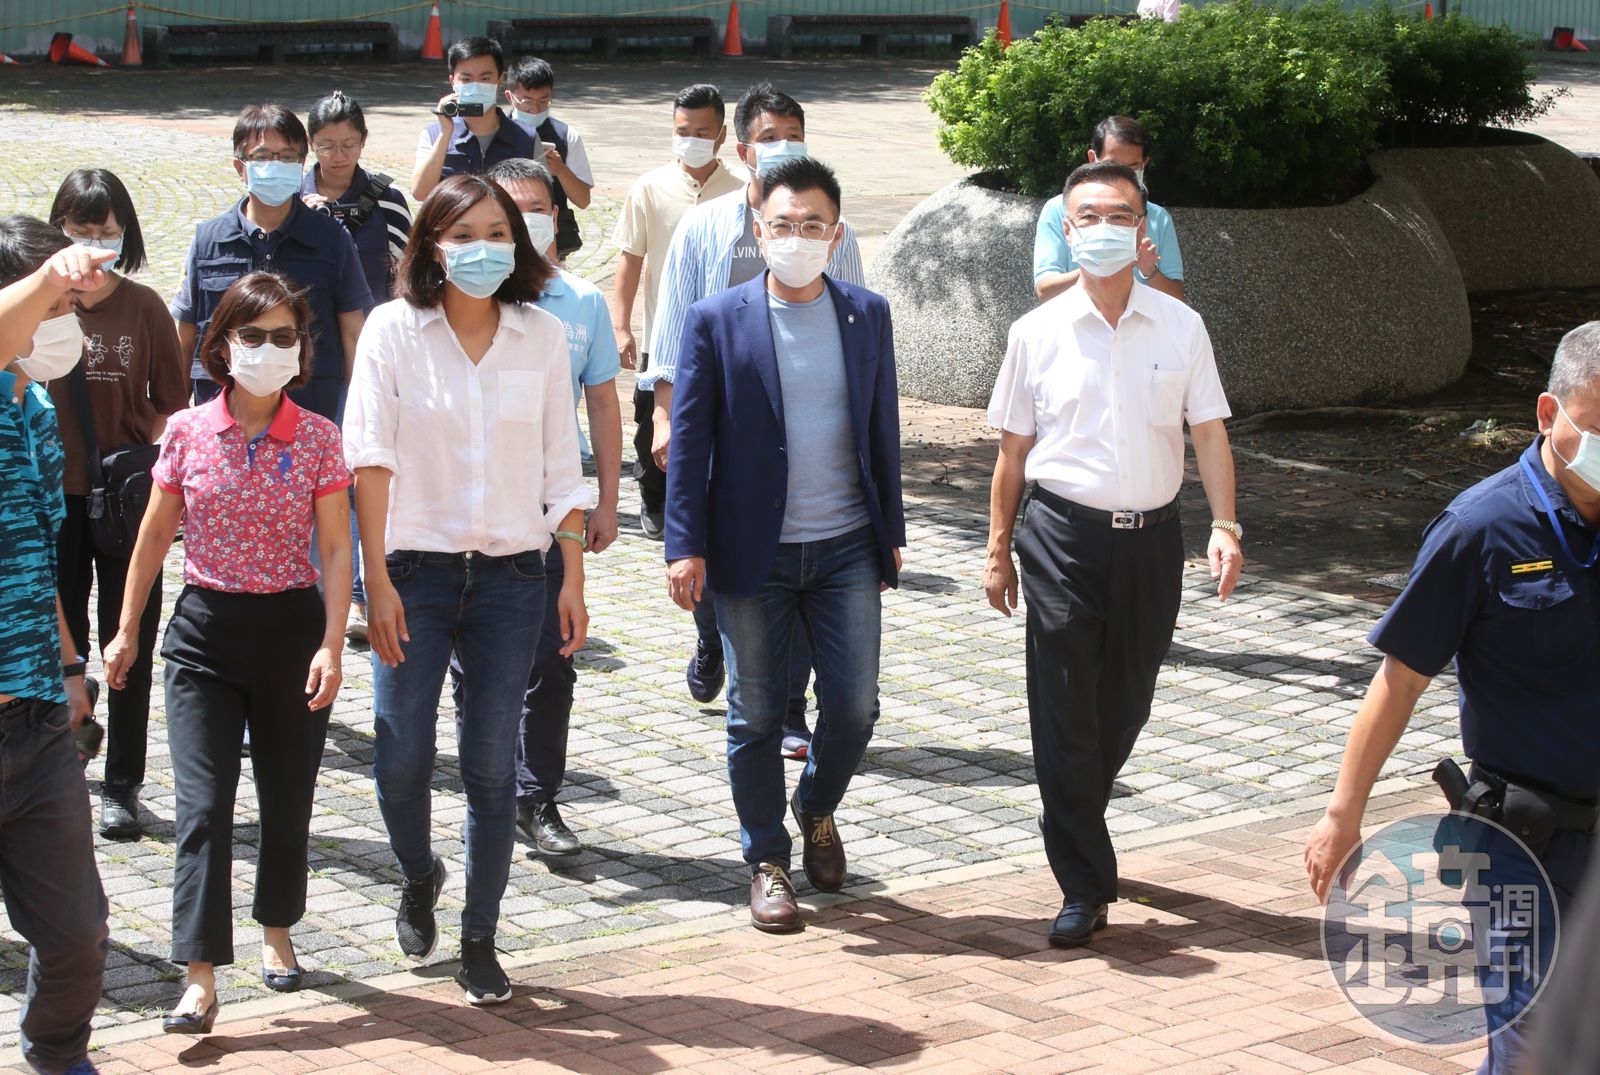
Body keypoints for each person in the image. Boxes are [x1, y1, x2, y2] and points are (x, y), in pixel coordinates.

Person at [1303, 323, 1600, 1075]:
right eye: (1599, 427)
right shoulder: (1480, 528)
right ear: (1548, 413)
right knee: (1537, 1049)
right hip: (1528, 848)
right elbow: (1401, 679)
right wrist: (1343, 812)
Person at [344, 174, 591, 1005]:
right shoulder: (392, 331)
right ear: (430, 245)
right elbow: (368, 458)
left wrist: (572, 576)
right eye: (462, 235)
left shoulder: (543, 336)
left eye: (497, 233)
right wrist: (374, 580)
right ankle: (419, 872)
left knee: (490, 766)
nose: (480, 249)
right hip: (412, 574)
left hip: (514, 579)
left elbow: (561, 465)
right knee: (400, 755)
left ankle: (479, 937)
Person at [985, 161, 1241, 948]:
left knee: (1126, 699)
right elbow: (1012, 453)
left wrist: (1226, 524)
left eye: (1119, 215)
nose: (1103, 228)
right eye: (1088, 216)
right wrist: (997, 549)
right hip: (1060, 537)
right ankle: (1084, 884)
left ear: (1142, 229)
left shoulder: (1181, 326)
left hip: (1152, 540)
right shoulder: (1035, 333)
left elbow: (1208, 432)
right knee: (1065, 703)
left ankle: (1071, 809)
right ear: (1067, 230)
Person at [105, 271, 351, 1034]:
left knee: (287, 795)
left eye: (284, 336)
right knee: (203, 806)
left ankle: (278, 927)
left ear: (301, 349)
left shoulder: (318, 437)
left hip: (291, 632)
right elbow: (154, 534)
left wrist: (333, 642)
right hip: (203, 636)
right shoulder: (185, 431)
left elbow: (335, 547)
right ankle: (200, 975)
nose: (268, 348)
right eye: (253, 335)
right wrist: (126, 627)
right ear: (222, 345)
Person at [665, 157, 905, 933]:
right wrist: (683, 545)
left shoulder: (866, 314)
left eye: (813, 225)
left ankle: (817, 806)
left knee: (855, 706)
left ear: (835, 234)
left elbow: (882, 429)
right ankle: (767, 859)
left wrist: (892, 533)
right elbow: (690, 442)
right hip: (750, 551)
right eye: (782, 224)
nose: (797, 237)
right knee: (756, 712)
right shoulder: (717, 319)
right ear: (757, 228)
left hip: (846, 544)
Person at [640, 83, 861, 743]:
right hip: (719, 422)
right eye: (768, 138)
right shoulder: (704, 226)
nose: (781, 148)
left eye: (792, 136)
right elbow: (672, 325)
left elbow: (858, 327)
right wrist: (663, 417)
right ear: (741, 150)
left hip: (803, 427)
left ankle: (788, 707)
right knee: (714, 553)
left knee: (789, 561)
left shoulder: (832, 231)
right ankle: (713, 638)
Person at [468, 156, 620, 856]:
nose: (526, 220)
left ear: (557, 218)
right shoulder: (465, 296)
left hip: (553, 506)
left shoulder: (582, 302)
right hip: (472, 509)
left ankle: (537, 796)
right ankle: (490, 786)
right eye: (511, 209)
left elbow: (603, 403)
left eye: (538, 208)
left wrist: (607, 500)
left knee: (553, 657)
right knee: (477, 665)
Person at [0, 218, 113, 1075]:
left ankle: (57, 1055)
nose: (67, 323)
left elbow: (39, 559)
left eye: (73, 307)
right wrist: (48, 277)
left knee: (77, 933)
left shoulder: (35, 409)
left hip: (36, 721)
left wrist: (72, 667)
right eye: (57, 306)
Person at [46, 168, 190, 839]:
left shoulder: (144, 307)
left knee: (126, 639)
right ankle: (61, 758)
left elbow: (171, 404)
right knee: (62, 641)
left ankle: (123, 782)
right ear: (59, 231)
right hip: (54, 499)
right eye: (82, 230)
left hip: (129, 504)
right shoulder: (41, 301)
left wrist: (133, 460)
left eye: (107, 232)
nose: (94, 244)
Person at [172, 103, 372, 422]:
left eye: (287, 157)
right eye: (263, 157)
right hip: (221, 413)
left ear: (301, 164)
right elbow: (186, 332)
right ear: (240, 167)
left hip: (308, 411)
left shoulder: (332, 238)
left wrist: (361, 415)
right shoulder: (208, 239)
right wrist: (176, 410)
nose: (275, 165)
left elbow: (352, 333)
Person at [300, 90, 414, 646]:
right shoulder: (288, 199)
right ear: (310, 145)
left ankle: (363, 594)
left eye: (348, 144)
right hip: (301, 361)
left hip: (372, 358)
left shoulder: (388, 202)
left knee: (359, 478)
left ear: (364, 143)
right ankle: (314, 592)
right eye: (327, 145)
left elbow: (410, 279)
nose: (338, 155)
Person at [611, 83, 743, 542]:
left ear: (721, 135)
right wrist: (621, 326)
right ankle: (654, 495)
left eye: (702, 132)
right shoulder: (650, 187)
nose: (691, 140)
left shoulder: (742, 190)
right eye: (683, 131)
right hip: (663, 334)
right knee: (652, 421)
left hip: (722, 334)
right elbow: (630, 259)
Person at [1033, 116, 1185, 304]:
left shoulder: (1158, 217)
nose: (1123, 175)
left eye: (1132, 167)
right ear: (1093, 159)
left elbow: (1177, 300)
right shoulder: (1058, 209)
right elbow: (1045, 292)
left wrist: (1148, 269)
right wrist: (1097, 266)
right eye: (1113, 165)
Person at [411, 36, 541, 203]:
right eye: (466, 79)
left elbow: (540, 200)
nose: (476, 86)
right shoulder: (433, 134)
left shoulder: (527, 138)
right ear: (452, 82)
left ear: (499, 80)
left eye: (485, 78)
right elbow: (420, 193)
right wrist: (445, 133)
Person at [503, 56, 595, 261]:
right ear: (510, 97)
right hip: (504, 239)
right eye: (527, 101)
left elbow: (583, 200)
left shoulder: (566, 135)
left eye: (543, 101)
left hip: (552, 243)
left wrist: (560, 170)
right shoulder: (497, 132)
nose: (535, 109)